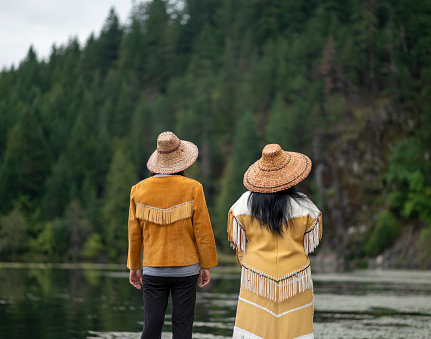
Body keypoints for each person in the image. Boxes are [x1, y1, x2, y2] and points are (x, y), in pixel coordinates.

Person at [127, 131, 218, 339]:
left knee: (151, 326)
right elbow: (203, 231)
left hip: (153, 268)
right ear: (182, 162)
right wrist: (206, 265)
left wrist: (134, 267)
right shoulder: (193, 188)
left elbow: (134, 234)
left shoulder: (138, 190)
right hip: (187, 270)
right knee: (183, 327)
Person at [228, 144, 322, 339]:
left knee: (255, 329)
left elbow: (239, 242)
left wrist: (244, 262)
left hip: (255, 277)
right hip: (296, 278)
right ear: (290, 176)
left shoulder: (244, 203)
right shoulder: (304, 204)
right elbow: (309, 240)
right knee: (295, 330)